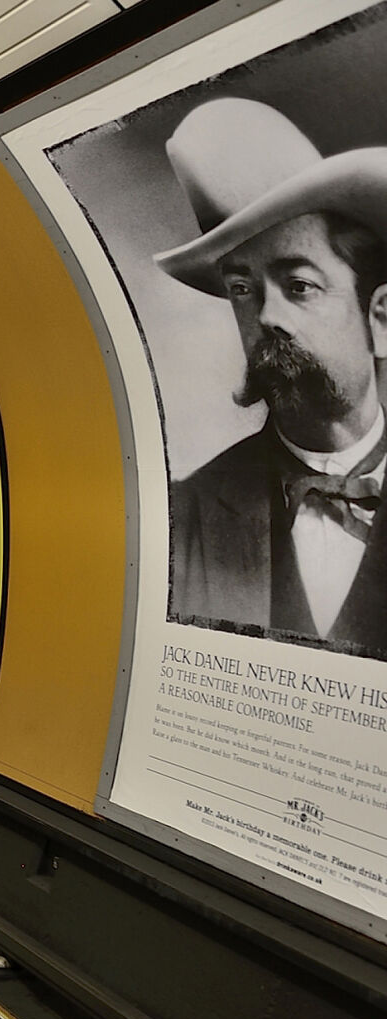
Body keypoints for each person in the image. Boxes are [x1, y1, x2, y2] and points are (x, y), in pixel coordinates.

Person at [157, 100, 387, 654]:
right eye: (242, 289)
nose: (266, 316)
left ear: (381, 319)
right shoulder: (180, 518)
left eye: (299, 285)